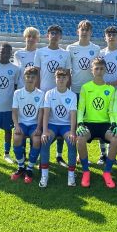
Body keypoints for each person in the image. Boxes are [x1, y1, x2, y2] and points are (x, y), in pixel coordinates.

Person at [76, 58, 117, 189]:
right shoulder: (86, 87)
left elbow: (111, 111)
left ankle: (107, 172)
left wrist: (114, 124)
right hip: (89, 123)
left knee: (116, 138)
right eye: (96, 68)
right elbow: (81, 108)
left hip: (104, 124)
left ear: (105, 70)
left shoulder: (110, 89)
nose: (99, 71)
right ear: (92, 70)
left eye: (102, 68)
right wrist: (80, 123)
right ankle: (86, 171)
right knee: (80, 139)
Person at [34, 25, 72, 168]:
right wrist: (38, 92)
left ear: (60, 36)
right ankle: (38, 155)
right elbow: (37, 73)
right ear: (47, 35)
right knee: (42, 125)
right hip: (44, 94)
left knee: (61, 121)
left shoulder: (65, 54)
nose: (54, 35)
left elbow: (68, 74)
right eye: (52, 33)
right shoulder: (40, 52)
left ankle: (59, 155)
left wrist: (67, 92)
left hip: (60, 94)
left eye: (57, 33)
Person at [40, 68, 78, 187]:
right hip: (52, 125)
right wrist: (44, 131)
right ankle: (44, 175)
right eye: (59, 77)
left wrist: (72, 132)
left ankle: (71, 175)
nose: (61, 80)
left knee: (72, 142)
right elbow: (46, 114)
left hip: (66, 126)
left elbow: (73, 115)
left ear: (68, 79)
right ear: (55, 79)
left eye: (63, 77)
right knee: (45, 141)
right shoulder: (49, 93)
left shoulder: (72, 95)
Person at [97, 25, 117, 164]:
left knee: (113, 123)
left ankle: (112, 154)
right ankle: (102, 154)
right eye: (109, 34)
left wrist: (112, 85)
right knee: (102, 122)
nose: (111, 37)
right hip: (102, 93)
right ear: (105, 37)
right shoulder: (100, 53)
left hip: (116, 93)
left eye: (114, 34)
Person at [11, 66, 44, 183]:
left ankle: (29, 168)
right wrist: (16, 126)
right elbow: (14, 111)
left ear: (36, 79)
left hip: (34, 124)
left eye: (33, 77)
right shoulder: (17, 93)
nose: (30, 79)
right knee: (16, 138)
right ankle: (21, 167)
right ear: (24, 77)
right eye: (28, 77)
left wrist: (39, 127)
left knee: (37, 140)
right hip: (21, 124)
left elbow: (41, 112)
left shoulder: (40, 94)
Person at [66, 20, 100, 101]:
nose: (84, 32)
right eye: (82, 29)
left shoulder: (96, 49)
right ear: (78, 32)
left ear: (91, 32)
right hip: (75, 89)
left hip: (91, 89)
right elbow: (67, 70)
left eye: (87, 30)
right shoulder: (70, 48)